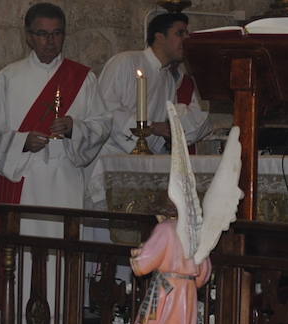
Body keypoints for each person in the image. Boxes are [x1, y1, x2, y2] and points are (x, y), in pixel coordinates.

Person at [0, 3, 108, 324]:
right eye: (42, 34)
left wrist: (76, 127)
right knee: (21, 261)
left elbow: (102, 125)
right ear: (28, 36)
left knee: (60, 261)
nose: (50, 41)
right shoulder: (7, 78)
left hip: (65, 185)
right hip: (24, 186)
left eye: (57, 34)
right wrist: (22, 141)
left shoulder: (83, 78)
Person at [87, 13, 211, 207]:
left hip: (140, 171)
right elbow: (105, 109)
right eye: (180, 33)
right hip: (109, 163)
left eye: (187, 33)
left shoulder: (169, 81)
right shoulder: (125, 62)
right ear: (159, 37)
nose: (186, 39)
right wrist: (151, 128)